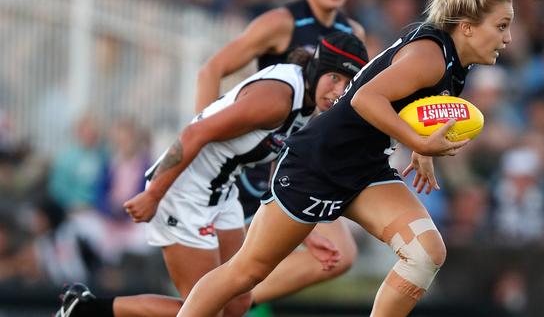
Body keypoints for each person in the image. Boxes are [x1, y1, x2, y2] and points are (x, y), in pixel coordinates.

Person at [178, 0, 514, 317]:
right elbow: (364, 98)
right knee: (246, 272)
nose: (508, 38)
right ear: (467, 27)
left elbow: (416, 108)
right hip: (316, 165)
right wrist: (418, 142)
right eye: (502, 26)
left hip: (364, 168)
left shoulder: (454, 63)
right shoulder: (430, 57)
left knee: (425, 252)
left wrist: (423, 148)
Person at [56, 32, 369, 317]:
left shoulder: (306, 100)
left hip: (220, 191)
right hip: (183, 192)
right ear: (316, 69)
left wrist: (308, 234)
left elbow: (274, 153)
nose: (339, 90)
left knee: (237, 304)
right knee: (204, 310)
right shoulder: (276, 99)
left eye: (348, 82)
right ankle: (87, 310)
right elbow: (195, 133)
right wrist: (154, 194)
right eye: (334, 77)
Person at [195, 0, 363, 306]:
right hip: (257, 160)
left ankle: (235, 302)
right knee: (227, 271)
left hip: (307, 161)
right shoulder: (281, 23)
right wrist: (204, 142)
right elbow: (211, 69)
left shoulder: (353, 34)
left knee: (340, 255)